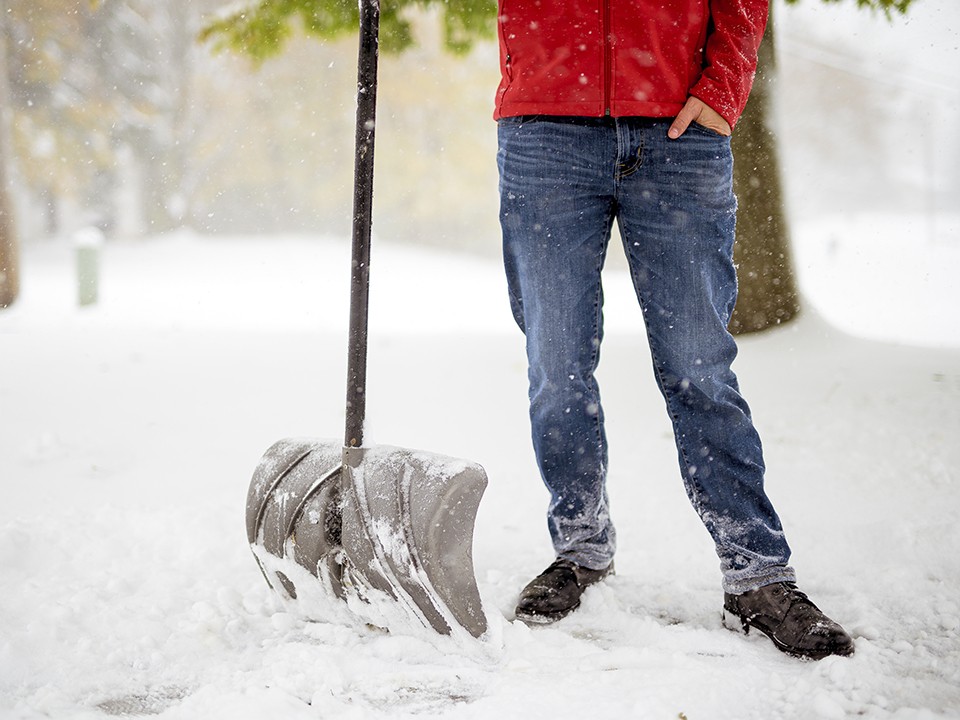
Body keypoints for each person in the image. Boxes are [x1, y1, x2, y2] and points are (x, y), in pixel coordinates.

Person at [494, 0, 855, 660]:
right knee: (556, 364)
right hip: (546, 132)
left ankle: (756, 575)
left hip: (677, 130)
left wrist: (722, 89)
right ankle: (580, 549)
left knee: (699, 369)